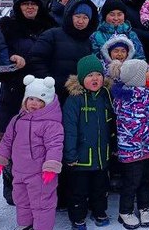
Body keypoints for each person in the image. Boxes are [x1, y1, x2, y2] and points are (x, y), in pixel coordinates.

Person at [0, 0, 56, 205]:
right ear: (18, 7)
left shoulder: (49, 26)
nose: (30, 7)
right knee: (12, 139)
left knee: (38, 141)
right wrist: (10, 61)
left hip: (42, 93)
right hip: (14, 93)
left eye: (34, 3)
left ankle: (39, 185)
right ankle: (11, 182)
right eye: (25, 4)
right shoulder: (7, 28)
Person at [0, 75, 63, 230]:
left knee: (42, 204)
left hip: (40, 175)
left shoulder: (51, 124)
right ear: (25, 100)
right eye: (31, 99)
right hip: (19, 172)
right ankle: (25, 224)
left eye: (39, 100)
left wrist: (51, 167)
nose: (34, 103)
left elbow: (55, 146)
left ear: (47, 102)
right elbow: (7, 140)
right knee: (21, 200)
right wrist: (1, 157)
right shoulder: (17, 119)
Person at [62, 55, 116, 229]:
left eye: (98, 74)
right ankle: (78, 217)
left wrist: (113, 146)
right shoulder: (74, 100)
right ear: (81, 78)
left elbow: (113, 124)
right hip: (81, 158)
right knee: (79, 192)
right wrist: (70, 154)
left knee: (100, 189)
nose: (95, 79)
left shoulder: (106, 96)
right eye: (90, 75)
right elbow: (69, 129)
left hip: (102, 156)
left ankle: (100, 212)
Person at [110, 59, 149, 229]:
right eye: (146, 71)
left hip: (145, 149)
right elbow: (136, 128)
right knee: (132, 182)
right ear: (137, 78)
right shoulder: (129, 100)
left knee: (144, 179)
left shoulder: (144, 93)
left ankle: (145, 207)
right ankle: (125, 211)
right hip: (132, 151)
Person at [28, 0, 98, 104]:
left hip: (77, 97)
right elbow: (36, 60)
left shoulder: (88, 42)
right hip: (52, 94)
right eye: (77, 16)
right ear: (70, 16)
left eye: (85, 18)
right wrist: (51, 83)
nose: (80, 21)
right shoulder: (52, 35)